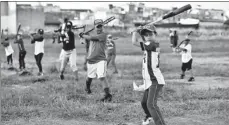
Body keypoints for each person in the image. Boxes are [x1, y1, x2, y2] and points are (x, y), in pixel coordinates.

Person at [132, 25, 166, 125]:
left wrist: (137, 31)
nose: (149, 36)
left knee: (151, 104)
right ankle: (149, 116)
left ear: (155, 34)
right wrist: (136, 32)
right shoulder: (148, 46)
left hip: (155, 80)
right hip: (149, 81)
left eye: (151, 34)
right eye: (146, 35)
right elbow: (136, 42)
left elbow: (136, 42)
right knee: (144, 103)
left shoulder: (154, 44)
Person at [79, 19, 112, 102]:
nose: (99, 28)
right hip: (91, 59)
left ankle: (107, 95)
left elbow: (91, 38)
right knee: (90, 77)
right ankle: (87, 88)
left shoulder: (103, 35)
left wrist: (83, 35)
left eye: (101, 26)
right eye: (98, 27)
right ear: (95, 27)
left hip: (101, 59)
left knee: (101, 76)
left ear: (102, 27)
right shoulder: (92, 33)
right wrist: (83, 34)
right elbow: (84, 40)